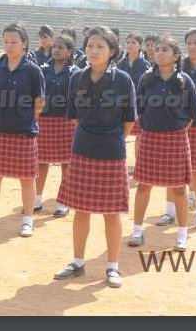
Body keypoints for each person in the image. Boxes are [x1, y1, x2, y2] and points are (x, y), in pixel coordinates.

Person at [54, 26, 136, 288]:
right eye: (90, 45)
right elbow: (74, 116)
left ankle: (112, 266)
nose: (94, 50)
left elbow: (129, 119)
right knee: (81, 210)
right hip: (83, 148)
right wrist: (91, 134)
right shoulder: (77, 77)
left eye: (100, 46)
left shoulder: (123, 80)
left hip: (112, 151)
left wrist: (112, 137)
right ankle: (77, 262)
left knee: (112, 213)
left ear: (112, 51)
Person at [0, 22, 45, 237]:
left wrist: (26, 119)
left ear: (24, 43)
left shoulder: (33, 71)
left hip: (24, 131)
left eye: (14, 42)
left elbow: (39, 102)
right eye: (6, 42)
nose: (9, 46)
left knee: (27, 178)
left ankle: (28, 220)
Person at [129, 36, 196, 252]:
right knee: (143, 186)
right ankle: (137, 231)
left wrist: (176, 130)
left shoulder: (185, 80)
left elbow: (192, 114)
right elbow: (139, 108)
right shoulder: (146, 79)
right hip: (150, 137)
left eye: (165, 50)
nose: (159, 53)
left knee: (179, 189)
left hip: (176, 139)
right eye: (157, 49)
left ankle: (182, 235)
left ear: (176, 56)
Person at [158, 28, 196, 231]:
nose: (192, 47)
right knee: (172, 172)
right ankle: (169, 212)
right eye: (189, 43)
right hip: (176, 128)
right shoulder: (177, 68)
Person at [36, 35, 79, 217]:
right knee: (40, 161)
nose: (56, 50)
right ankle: (36, 200)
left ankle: (63, 202)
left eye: (61, 47)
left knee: (66, 163)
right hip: (44, 120)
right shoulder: (43, 69)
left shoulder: (76, 72)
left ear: (70, 51)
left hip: (67, 122)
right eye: (54, 47)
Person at [116, 33, 151, 175]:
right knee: (120, 135)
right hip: (121, 106)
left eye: (134, 42)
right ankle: (120, 165)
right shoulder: (120, 64)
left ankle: (138, 165)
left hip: (139, 106)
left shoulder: (145, 65)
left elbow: (148, 87)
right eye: (128, 42)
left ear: (140, 46)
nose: (130, 45)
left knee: (140, 137)